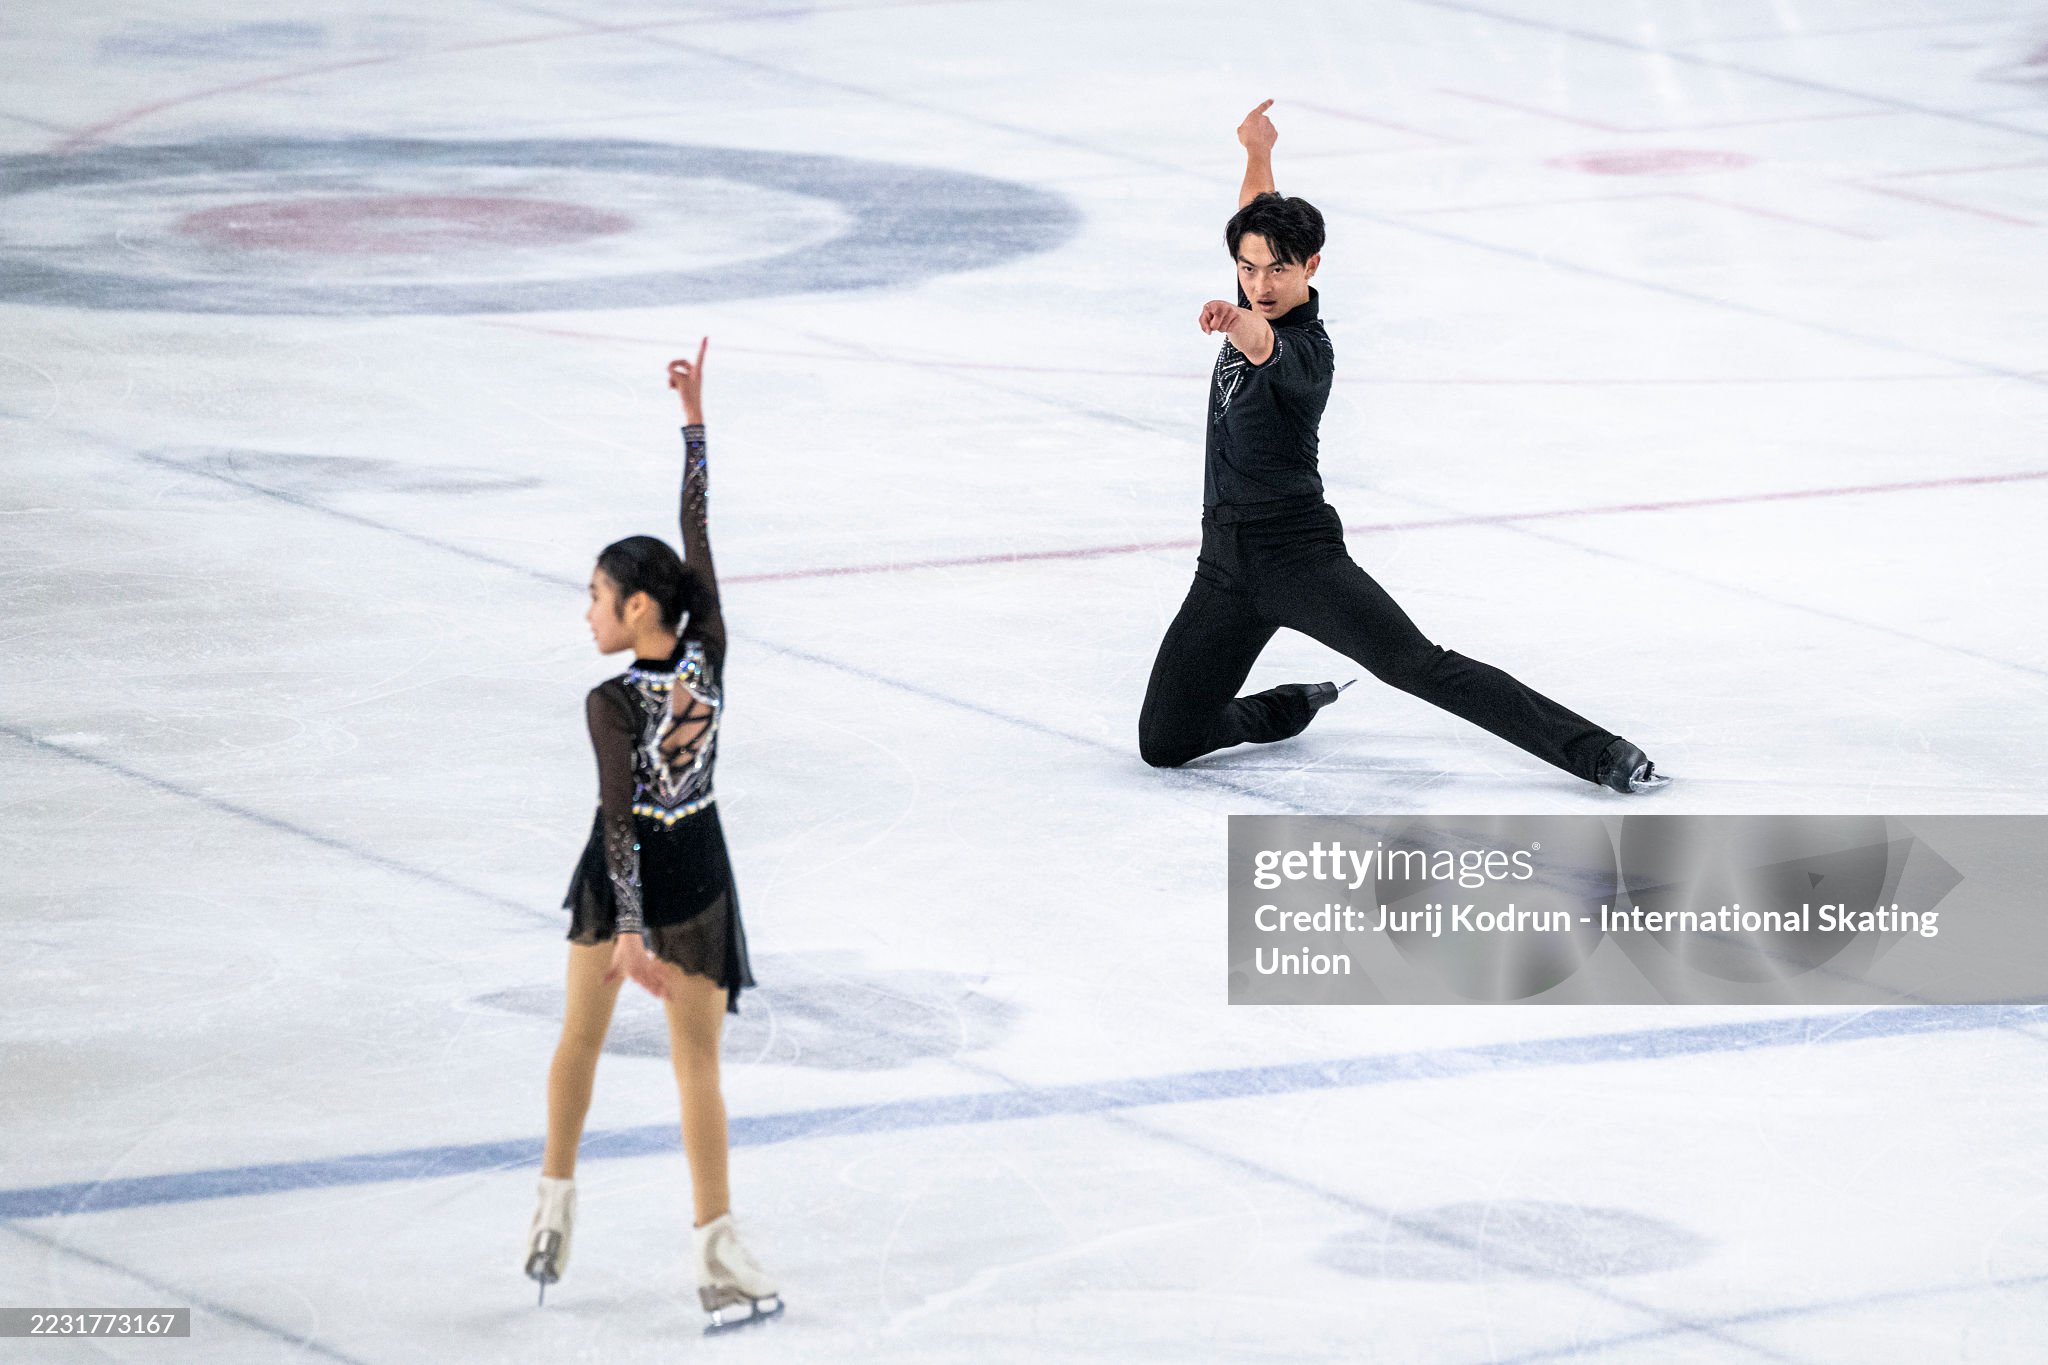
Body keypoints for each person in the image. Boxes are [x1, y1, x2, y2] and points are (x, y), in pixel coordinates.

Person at [1137, 100, 1669, 794]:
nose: (1260, 284)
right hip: (1224, 565)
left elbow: (1262, 342)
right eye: (1247, 268)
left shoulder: (1306, 350)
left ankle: (1600, 752)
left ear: (1311, 266)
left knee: (1417, 664)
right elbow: (1255, 216)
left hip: (1299, 558)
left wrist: (1236, 319)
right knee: (1165, 741)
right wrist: (1257, 152)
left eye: (1276, 270)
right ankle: (1290, 705)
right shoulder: (1258, 274)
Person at [524, 341, 784, 1333]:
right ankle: (678, 1244)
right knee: (676, 1061)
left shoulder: (612, 701)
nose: (587, 611)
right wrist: (693, 424)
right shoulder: (709, 647)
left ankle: (568, 1217)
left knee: (595, 1042)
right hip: (691, 865)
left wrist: (629, 930)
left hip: (646, 875)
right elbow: (696, 533)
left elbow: (618, 818)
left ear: (638, 606)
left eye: (596, 595)